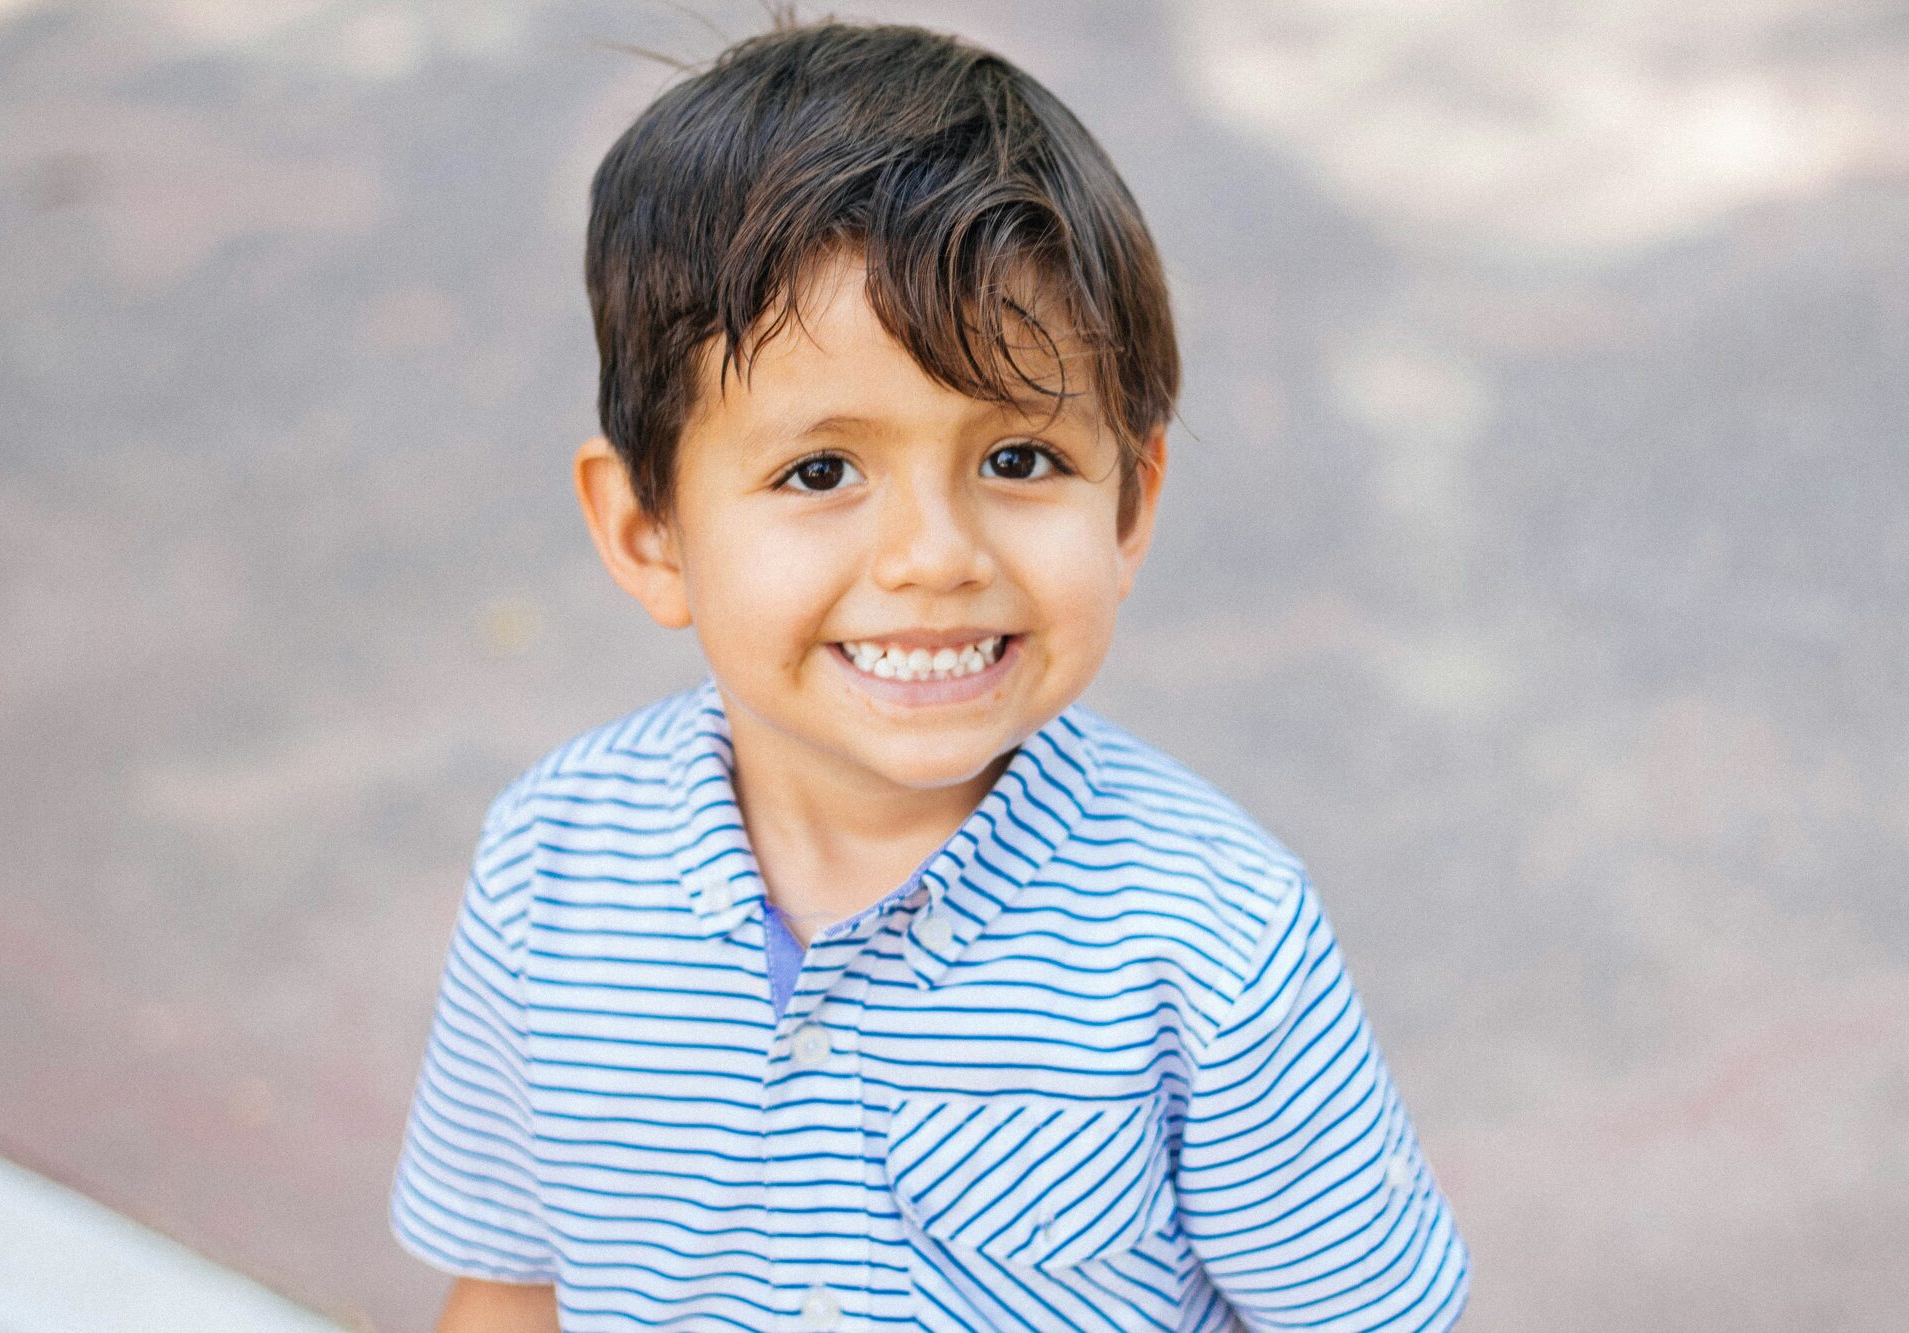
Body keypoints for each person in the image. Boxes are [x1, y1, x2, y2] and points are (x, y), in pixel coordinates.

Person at [389, 15, 1471, 1332]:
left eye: (1019, 459)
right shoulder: (549, 870)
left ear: (1130, 507)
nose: (933, 555)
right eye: (821, 470)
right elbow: (511, 1285)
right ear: (646, 531)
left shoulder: (1212, 940)